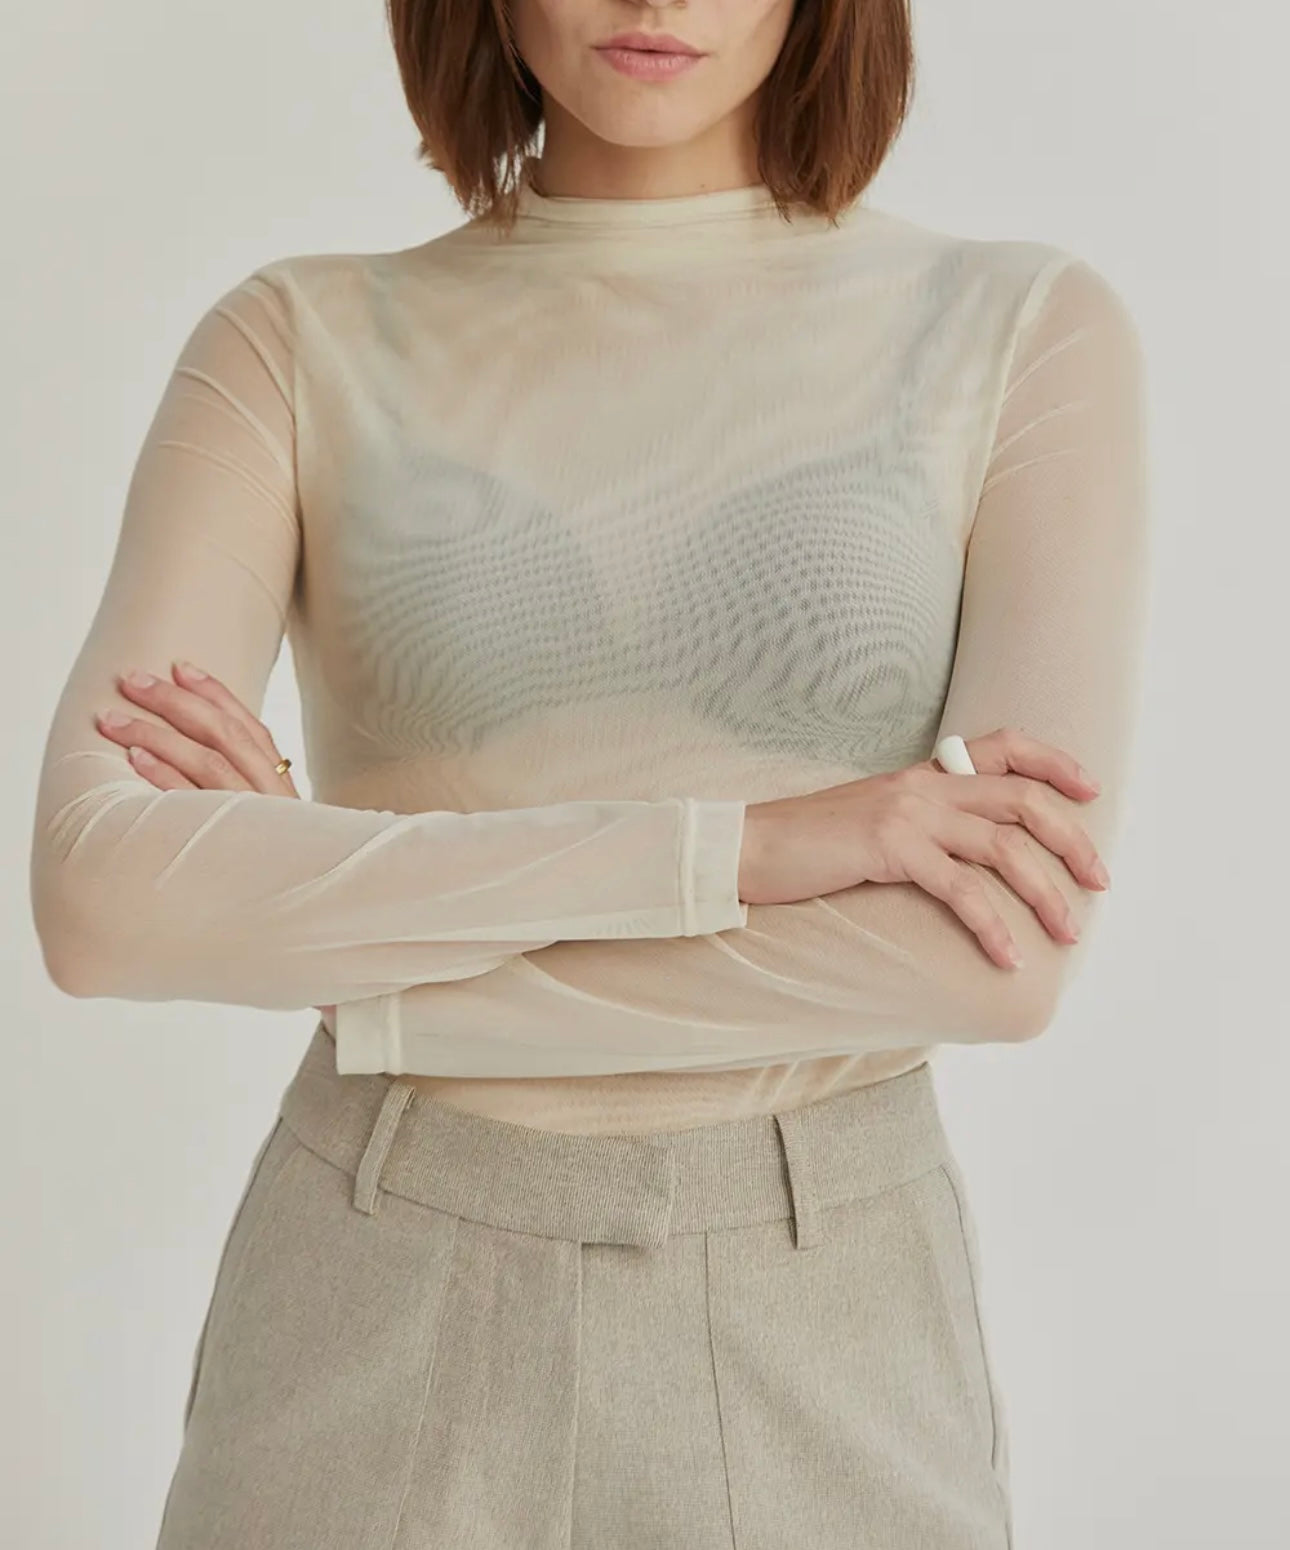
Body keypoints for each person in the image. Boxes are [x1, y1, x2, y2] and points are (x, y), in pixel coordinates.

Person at [28, 0, 1149, 1544]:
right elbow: (104, 902)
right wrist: (749, 847)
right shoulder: (292, 340)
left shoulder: (1012, 328)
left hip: (821, 1298)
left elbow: (991, 952)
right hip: (368, 1291)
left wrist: (355, 937)